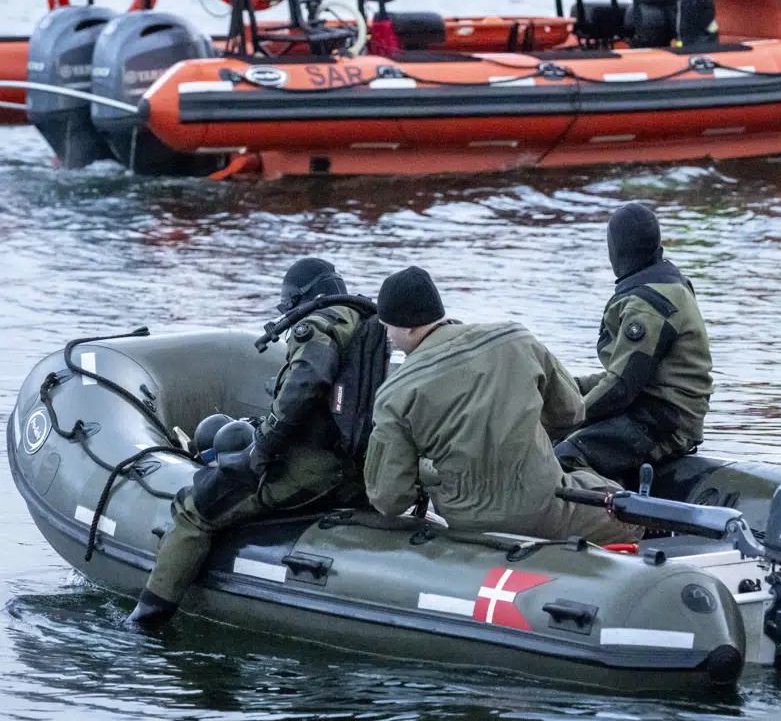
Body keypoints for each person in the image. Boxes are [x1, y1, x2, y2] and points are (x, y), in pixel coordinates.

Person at [130, 258, 369, 627]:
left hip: (308, 470)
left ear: (302, 298)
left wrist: (265, 443)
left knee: (194, 511)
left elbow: (307, 382)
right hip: (354, 472)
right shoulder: (367, 326)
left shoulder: (316, 326)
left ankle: (148, 620)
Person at [363, 266, 642, 544]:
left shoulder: (393, 393)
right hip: (546, 508)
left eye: (388, 327)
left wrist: (427, 472)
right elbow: (571, 413)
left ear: (409, 325)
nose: (387, 335)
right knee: (627, 513)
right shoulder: (515, 338)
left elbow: (389, 499)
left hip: (466, 522)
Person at [555, 203, 713, 486]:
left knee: (566, 454)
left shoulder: (647, 306)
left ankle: (606, 521)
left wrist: (569, 415)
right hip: (655, 407)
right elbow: (635, 375)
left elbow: (621, 388)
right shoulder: (665, 284)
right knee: (569, 404)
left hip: (665, 421)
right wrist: (569, 386)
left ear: (615, 250)